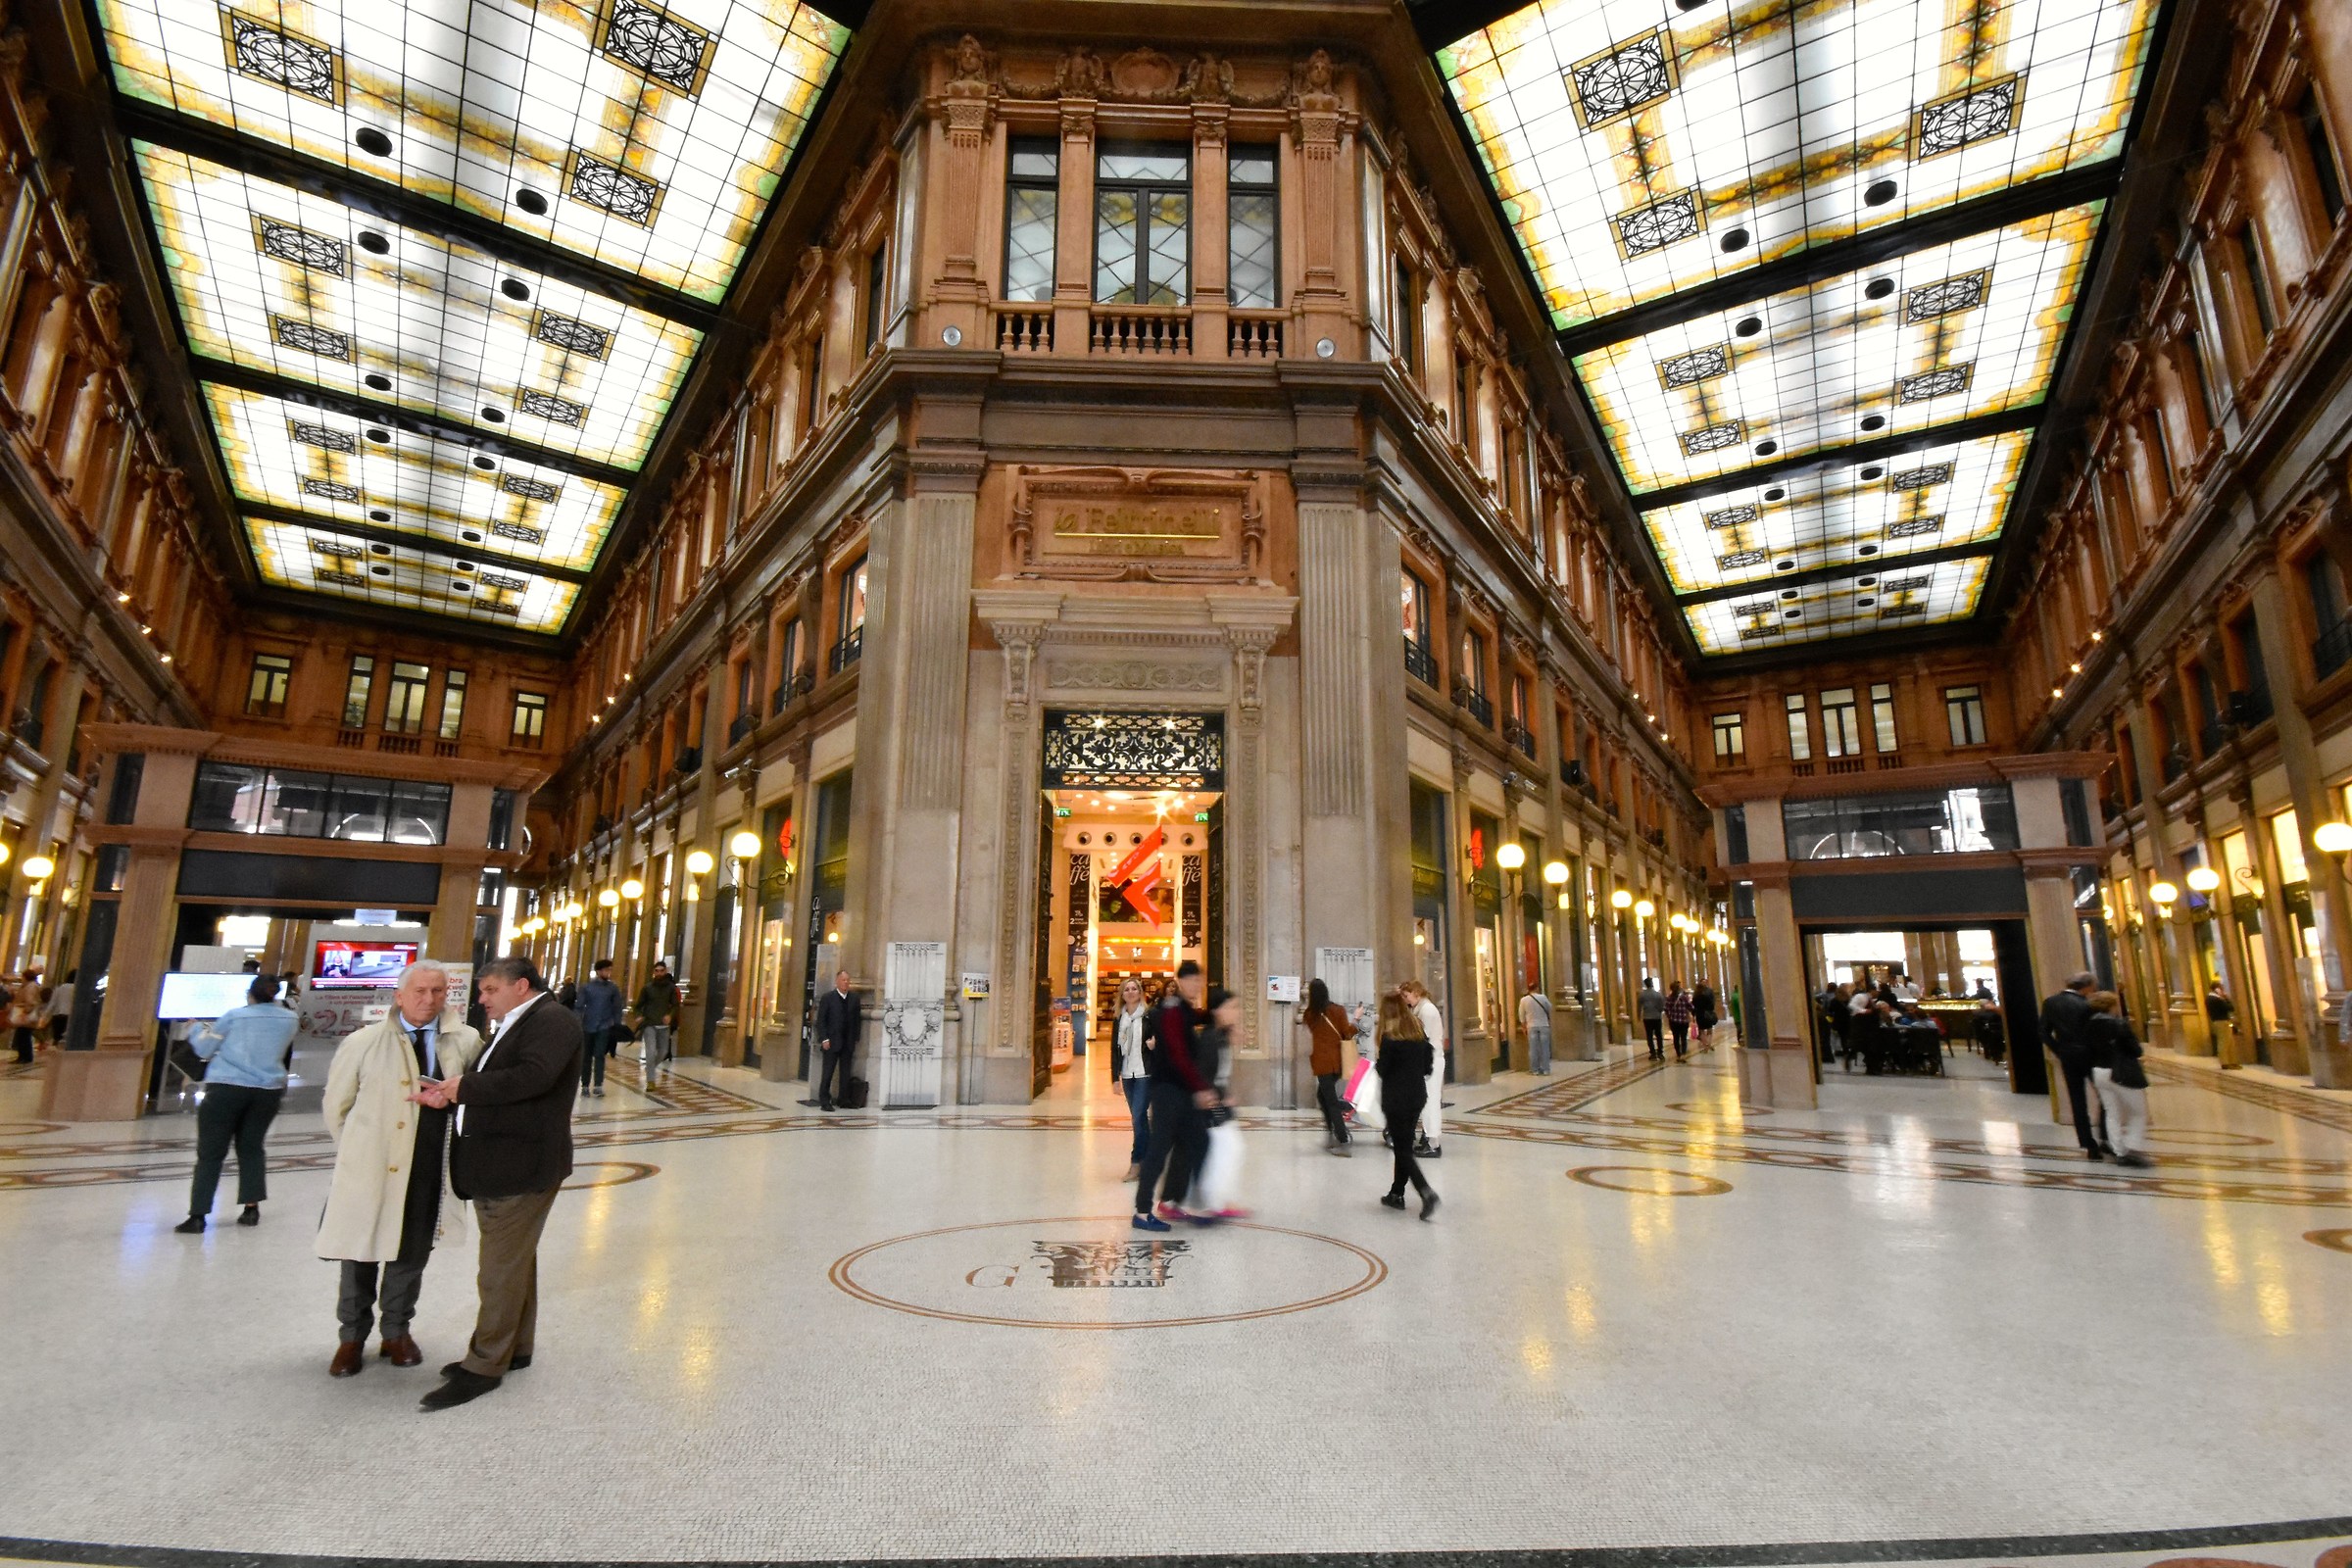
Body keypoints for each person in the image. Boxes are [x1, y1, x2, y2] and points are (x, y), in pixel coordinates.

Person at [411, 955, 583, 1411]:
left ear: (520, 985)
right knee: (515, 1263)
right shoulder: (518, 1021)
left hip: (521, 1164)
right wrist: (450, 1097)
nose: (481, 999)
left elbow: (533, 1077)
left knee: (499, 1270)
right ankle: (516, 1348)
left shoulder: (553, 1021)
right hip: (501, 1161)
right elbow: (500, 1082)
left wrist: (462, 1088)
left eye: (489, 990)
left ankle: (484, 1365)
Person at [318, 961, 483, 1377]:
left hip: (428, 1164)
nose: (429, 1000)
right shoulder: (364, 1042)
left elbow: (474, 1095)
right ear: (399, 995)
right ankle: (351, 1337)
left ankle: (396, 1331)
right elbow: (336, 1108)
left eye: (438, 992)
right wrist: (361, 1152)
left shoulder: (465, 1040)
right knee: (359, 1252)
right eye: (420, 992)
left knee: (412, 1252)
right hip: (370, 1169)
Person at [176, 974, 298, 1233]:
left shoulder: (235, 1016)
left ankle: (198, 1215)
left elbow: (204, 1049)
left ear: (249, 994)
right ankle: (251, 1209)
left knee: (211, 1153)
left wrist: (195, 1028)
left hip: (227, 1089)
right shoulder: (290, 1019)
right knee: (252, 1148)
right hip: (267, 1091)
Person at [1134, 961, 1212, 1231]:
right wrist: (1200, 1087)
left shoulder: (1184, 1009)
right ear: (1181, 981)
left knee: (1197, 1141)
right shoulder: (1172, 1010)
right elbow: (1178, 1054)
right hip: (1168, 1090)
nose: (1197, 985)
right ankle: (1143, 1212)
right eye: (1193, 981)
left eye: (1199, 981)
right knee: (1158, 1150)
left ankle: (1176, 1200)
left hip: (1182, 1091)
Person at [1374, 991, 1439, 1220]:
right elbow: (1427, 1068)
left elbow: (1382, 1070)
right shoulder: (1418, 1034)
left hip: (1396, 1099)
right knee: (1404, 1144)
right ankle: (1396, 1193)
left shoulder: (1390, 1038)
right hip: (1416, 1097)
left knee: (1403, 1151)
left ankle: (1426, 1192)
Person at [2038, 971, 2111, 1159]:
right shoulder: (2088, 1005)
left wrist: (2059, 1050)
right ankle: (2105, 1137)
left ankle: (2088, 1144)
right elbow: (2096, 1031)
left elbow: (2044, 1032)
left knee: (2077, 1099)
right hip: (2091, 1055)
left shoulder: (2051, 1002)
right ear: (2086, 986)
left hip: (2068, 1056)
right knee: (2105, 1096)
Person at [2085, 991, 2152, 1168]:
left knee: (2111, 1112)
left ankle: (2119, 1151)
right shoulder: (2118, 1025)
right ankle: (2132, 1148)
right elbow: (2136, 1050)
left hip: (2098, 1071)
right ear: (2111, 1006)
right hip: (2120, 1072)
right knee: (2138, 1113)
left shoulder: (2089, 1025)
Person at [1109, 977, 1155, 1179]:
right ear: (1122, 994)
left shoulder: (1149, 1016)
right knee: (1140, 1119)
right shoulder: (1119, 1019)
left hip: (1145, 1073)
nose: (1130, 992)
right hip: (1128, 1074)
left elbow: (1161, 1042)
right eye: (1126, 989)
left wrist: (1156, 1046)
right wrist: (1114, 1077)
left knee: (1138, 1116)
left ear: (1140, 992)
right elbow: (1114, 1049)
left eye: (1134, 988)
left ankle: (1136, 1163)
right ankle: (1150, 1159)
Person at [1300, 977, 1353, 1152]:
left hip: (1322, 1064)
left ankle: (1343, 1140)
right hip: (1337, 1063)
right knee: (1323, 1097)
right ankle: (1333, 1134)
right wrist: (1357, 1021)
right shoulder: (1338, 1010)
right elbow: (1347, 1034)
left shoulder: (1310, 1015)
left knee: (1329, 1101)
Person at [1399, 979, 1446, 1157]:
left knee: (1430, 1101)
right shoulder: (1421, 1008)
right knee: (1427, 1100)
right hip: (1429, 1059)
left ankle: (1433, 1143)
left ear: (1416, 993)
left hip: (1431, 1060)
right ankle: (1428, 1137)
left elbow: (1421, 1038)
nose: (1405, 1000)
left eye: (1406, 996)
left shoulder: (1426, 1010)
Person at [575, 958, 624, 1098]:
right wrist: (577, 1021)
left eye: (609, 970)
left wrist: (616, 1023)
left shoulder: (612, 988)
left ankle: (598, 1085)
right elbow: (579, 1006)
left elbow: (617, 1007)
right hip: (588, 1025)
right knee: (586, 1056)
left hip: (604, 1025)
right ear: (598, 971)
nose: (608, 973)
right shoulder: (587, 987)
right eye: (605, 970)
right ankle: (585, 1084)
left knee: (599, 1054)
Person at [814, 969, 860, 1112]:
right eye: (843, 980)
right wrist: (824, 1038)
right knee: (828, 1072)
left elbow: (857, 1020)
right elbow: (821, 1020)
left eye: (848, 980)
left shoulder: (854, 998)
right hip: (832, 1041)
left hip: (847, 1042)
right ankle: (824, 1100)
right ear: (837, 981)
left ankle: (844, 1099)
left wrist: (855, 1037)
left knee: (845, 1072)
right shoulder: (828, 998)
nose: (846, 982)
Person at [634, 960, 678, 1076]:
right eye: (656, 971)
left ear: (666, 971)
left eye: (661, 971)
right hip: (649, 1023)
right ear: (653, 972)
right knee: (650, 1051)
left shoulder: (671, 988)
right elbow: (638, 1005)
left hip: (664, 1025)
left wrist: (670, 1015)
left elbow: (675, 1005)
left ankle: (650, 1068)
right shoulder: (647, 988)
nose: (659, 974)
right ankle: (650, 1081)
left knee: (663, 1052)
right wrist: (639, 1016)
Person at [8, 966, 42, 1063]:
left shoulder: (30, 987)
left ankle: (25, 1057)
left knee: (23, 1036)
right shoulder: (31, 986)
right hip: (28, 1015)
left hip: (26, 1015)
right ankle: (25, 1056)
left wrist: (26, 1011)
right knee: (24, 1036)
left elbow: (30, 1001)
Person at [1518, 980, 1553, 1076]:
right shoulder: (1543, 997)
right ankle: (1546, 1069)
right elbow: (1550, 1008)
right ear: (1537, 988)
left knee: (1533, 1049)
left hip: (1531, 1026)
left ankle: (1535, 1070)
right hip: (1544, 1025)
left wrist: (1523, 1027)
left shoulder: (1524, 1000)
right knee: (1545, 1048)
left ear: (1528, 990)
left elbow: (1521, 1015)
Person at [1637, 977, 1665, 1061]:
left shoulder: (1642, 995)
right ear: (1652, 984)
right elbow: (1662, 1006)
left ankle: (1653, 1053)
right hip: (1657, 1017)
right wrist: (1659, 1011)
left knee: (1649, 1035)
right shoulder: (1658, 994)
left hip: (1647, 1017)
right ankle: (1660, 1052)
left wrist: (1638, 1016)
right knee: (1659, 1035)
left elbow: (1639, 1007)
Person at [44, 967, 74, 1048]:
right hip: (70, 1016)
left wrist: (45, 1015)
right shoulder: (76, 988)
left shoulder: (60, 988)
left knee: (57, 1037)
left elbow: (52, 1003)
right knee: (66, 1039)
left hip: (57, 1015)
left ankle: (55, 1053)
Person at [1664, 981, 1693, 1059]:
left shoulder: (1669, 998)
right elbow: (1691, 1007)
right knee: (1683, 1038)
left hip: (1674, 1021)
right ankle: (1683, 1053)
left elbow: (1666, 1009)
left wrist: (1670, 1016)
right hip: (1683, 1021)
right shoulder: (1684, 997)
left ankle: (1678, 1054)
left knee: (1676, 1038)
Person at [1691, 979, 1718, 1045]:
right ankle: (1709, 1043)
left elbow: (1693, 1007)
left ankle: (1705, 1044)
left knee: (1702, 1031)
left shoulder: (1695, 997)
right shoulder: (1706, 996)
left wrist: (1693, 1015)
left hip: (1699, 1015)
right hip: (1707, 1014)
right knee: (1709, 1030)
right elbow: (1711, 1005)